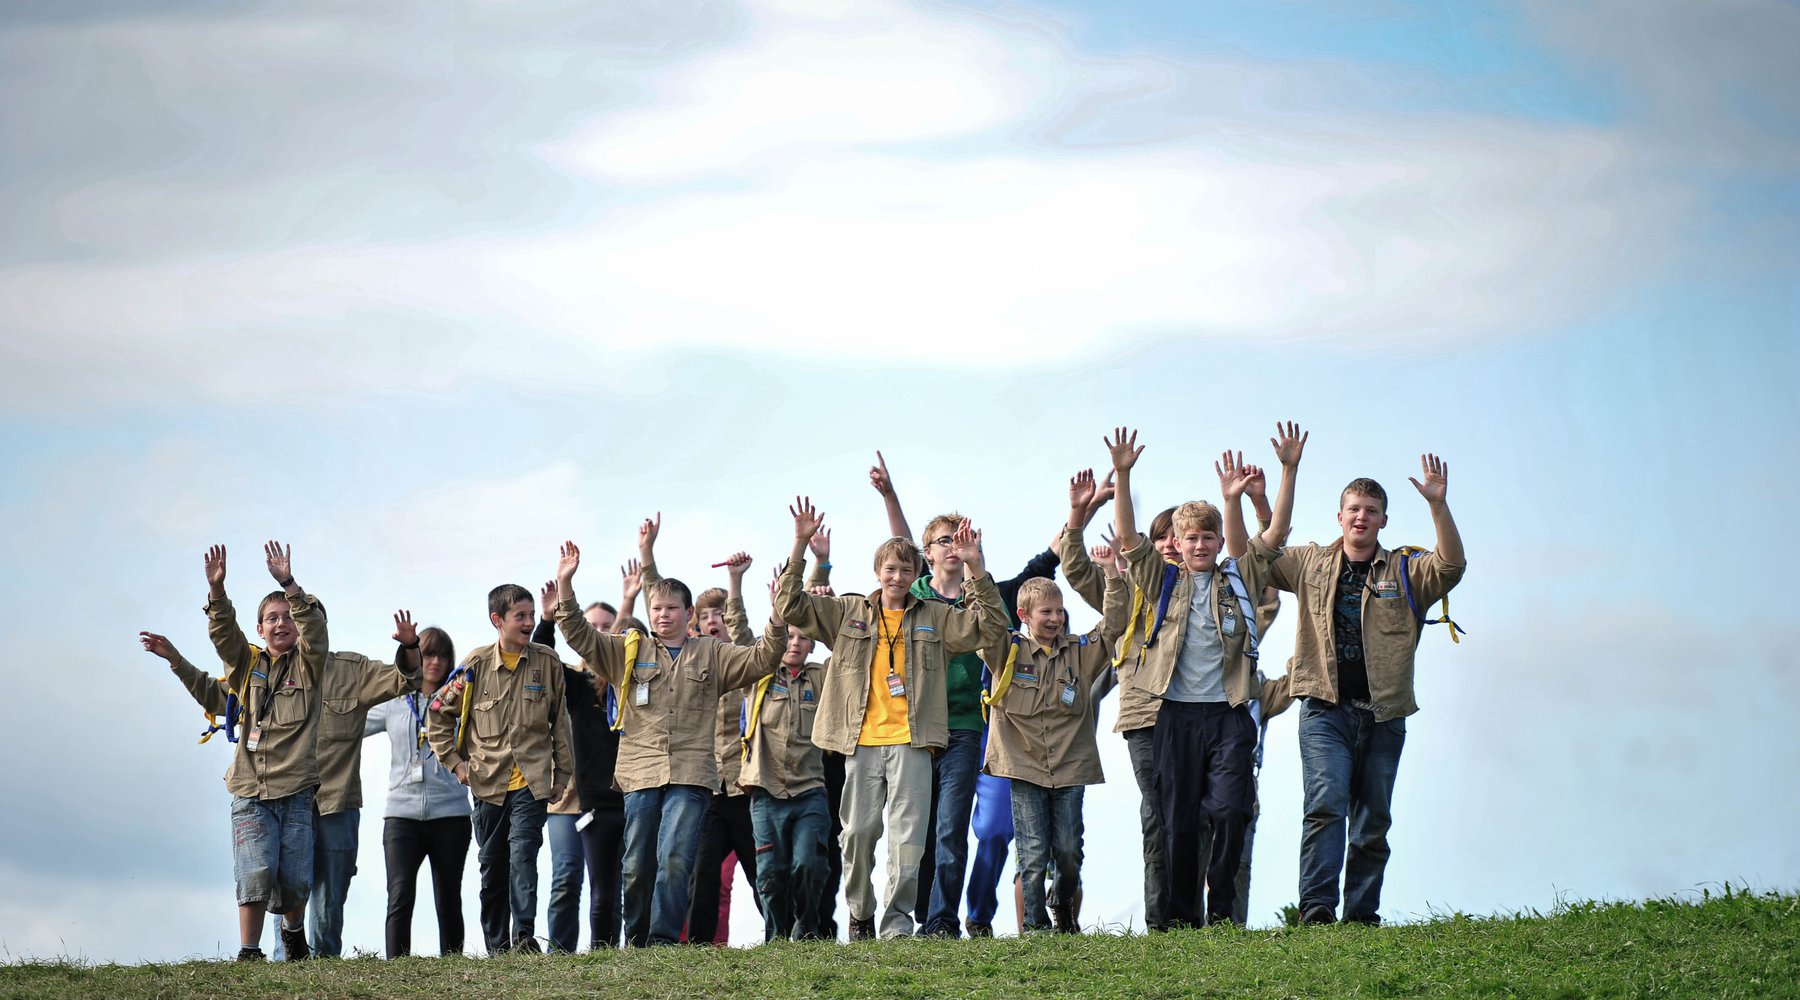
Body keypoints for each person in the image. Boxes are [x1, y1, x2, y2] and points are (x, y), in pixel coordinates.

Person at [869, 451, 1101, 937]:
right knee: (923, 832)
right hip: (916, 728)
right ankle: (924, 917)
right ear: (928, 553)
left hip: (976, 729)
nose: (954, 546)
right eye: (943, 540)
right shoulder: (914, 596)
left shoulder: (990, 591)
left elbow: (1049, 558)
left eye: (962, 537)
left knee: (973, 831)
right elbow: (901, 550)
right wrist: (891, 494)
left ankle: (960, 918)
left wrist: (1084, 512)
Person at [774, 498, 1006, 940]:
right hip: (860, 741)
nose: (897, 577)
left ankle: (896, 922)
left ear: (913, 573)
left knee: (908, 840)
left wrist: (977, 568)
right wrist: (801, 543)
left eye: (905, 570)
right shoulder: (847, 611)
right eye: (889, 569)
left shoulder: (935, 616)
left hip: (914, 741)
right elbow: (790, 606)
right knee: (858, 833)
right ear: (877, 572)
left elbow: (990, 626)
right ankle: (860, 912)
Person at [1253, 453, 1466, 926]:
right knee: (1326, 805)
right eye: (1354, 508)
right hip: (1325, 709)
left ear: (1383, 520)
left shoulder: (1406, 570)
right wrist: (1263, 496)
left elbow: (1451, 565)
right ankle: (1316, 911)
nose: (1361, 517)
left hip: (1384, 714)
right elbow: (1262, 554)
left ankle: (1362, 917)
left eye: (1371, 510)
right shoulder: (1311, 563)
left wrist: (1438, 505)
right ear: (1340, 516)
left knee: (1372, 823)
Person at [551, 536, 788, 947]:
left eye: (672, 608)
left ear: (688, 613)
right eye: (656, 609)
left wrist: (779, 614)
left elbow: (763, 658)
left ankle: (661, 941)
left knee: (677, 859)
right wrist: (566, 584)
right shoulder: (628, 651)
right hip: (640, 772)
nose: (663, 615)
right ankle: (637, 940)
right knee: (637, 864)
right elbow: (577, 634)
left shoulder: (712, 652)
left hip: (693, 773)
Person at [1108, 427, 1298, 928]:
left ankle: (1222, 909)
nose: (1197, 545)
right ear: (1176, 541)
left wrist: (1286, 471)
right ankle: (1182, 920)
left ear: (1217, 542)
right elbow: (1128, 539)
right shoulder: (1161, 579)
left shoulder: (1239, 578)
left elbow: (1275, 534)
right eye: (1188, 537)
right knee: (1179, 822)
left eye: (1207, 537)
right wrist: (1123, 475)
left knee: (1233, 810)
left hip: (1229, 715)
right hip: (1175, 716)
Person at [148, 542, 328, 961]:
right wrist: (216, 591)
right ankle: (249, 951)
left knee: (295, 877)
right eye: (271, 618)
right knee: (255, 869)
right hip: (250, 789)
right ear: (260, 630)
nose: (281, 623)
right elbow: (225, 639)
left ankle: (293, 934)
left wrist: (288, 583)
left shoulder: (310, 666)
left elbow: (317, 632)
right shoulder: (247, 667)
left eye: (287, 617)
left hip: (298, 789)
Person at [982, 553, 1130, 932]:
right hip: (1023, 767)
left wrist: (1111, 574)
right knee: (1031, 856)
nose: (1055, 619)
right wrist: (974, 568)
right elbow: (986, 619)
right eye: (1046, 612)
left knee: (1067, 854)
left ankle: (1062, 905)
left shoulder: (1080, 653)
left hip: (1069, 768)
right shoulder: (1007, 652)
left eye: (1060, 611)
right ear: (1024, 615)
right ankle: (1035, 927)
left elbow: (1114, 623)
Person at [424, 583, 574, 955]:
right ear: (497, 620)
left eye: (531, 615)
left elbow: (561, 722)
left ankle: (523, 935)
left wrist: (564, 774)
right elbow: (437, 713)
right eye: (519, 616)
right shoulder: (474, 665)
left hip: (532, 782)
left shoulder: (547, 662)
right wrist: (456, 764)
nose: (529, 622)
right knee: (493, 867)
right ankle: (497, 945)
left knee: (524, 854)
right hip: (488, 785)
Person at [363, 626, 472, 957]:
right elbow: (348, 725)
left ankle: (452, 965)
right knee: (399, 894)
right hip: (401, 815)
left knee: (448, 895)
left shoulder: (460, 701)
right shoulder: (394, 702)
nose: (435, 662)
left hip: (451, 813)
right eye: (428, 654)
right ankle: (397, 967)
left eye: (442, 655)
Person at [532, 583, 625, 952]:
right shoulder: (573, 680)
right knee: (566, 878)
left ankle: (606, 953)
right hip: (565, 797)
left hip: (605, 801)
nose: (600, 632)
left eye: (608, 626)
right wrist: (548, 619)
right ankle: (561, 954)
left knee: (609, 884)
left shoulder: (621, 683)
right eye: (593, 625)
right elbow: (542, 655)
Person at [738, 581, 832, 941]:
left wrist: (823, 614)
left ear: (811, 644)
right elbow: (741, 632)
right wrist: (777, 611)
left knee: (807, 866)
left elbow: (848, 654)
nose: (794, 643)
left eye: (802, 637)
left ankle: (806, 930)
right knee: (771, 874)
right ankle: (776, 938)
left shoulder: (821, 678)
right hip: (765, 789)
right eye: (789, 636)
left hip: (809, 790)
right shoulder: (759, 674)